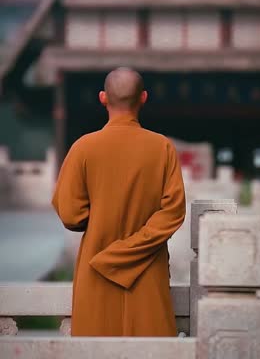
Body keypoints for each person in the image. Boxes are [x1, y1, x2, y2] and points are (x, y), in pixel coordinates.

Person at [52, 67, 186, 336]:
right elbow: (173, 212)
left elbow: (70, 214)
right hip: (146, 270)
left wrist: (103, 222)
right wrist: (128, 249)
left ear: (103, 98)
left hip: (96, 269)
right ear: (144, 97)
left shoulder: (83, 148)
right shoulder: (162, 148)